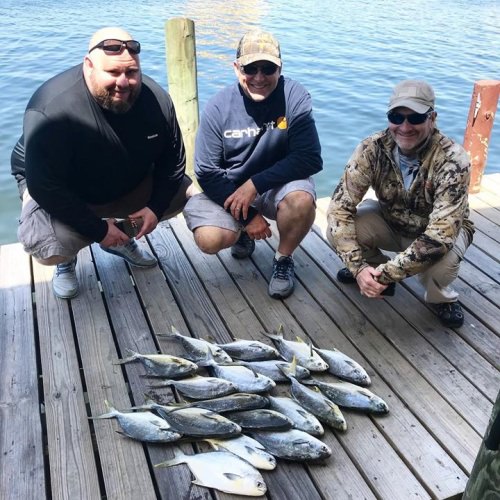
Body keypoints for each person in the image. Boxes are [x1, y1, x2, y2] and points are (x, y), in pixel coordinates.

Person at [10, 26, 194, 299]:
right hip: (59, 190)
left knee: (183, 194)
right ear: (88, 66)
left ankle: (120, 237)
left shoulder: (156, 100)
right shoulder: (52, 107)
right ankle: (68, 259)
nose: (123, 82)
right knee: (50, 246)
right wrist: (97, 230)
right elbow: (45, 186)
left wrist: (155, 208)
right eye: (113, 73)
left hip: (121, 179)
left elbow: (174, 162)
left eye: (131, 73)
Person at [183, 30, 323, 299]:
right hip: (230, 189)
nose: (259, 77)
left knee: (301, 200)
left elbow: (310, 157)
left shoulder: (295, 96)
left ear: (280, 68)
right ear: (237, 68)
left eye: (268, 68)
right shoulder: (217, 107)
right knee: (209, 239)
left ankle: (283, 259)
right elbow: (206, 172)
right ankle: (241, 233)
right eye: (250, 68)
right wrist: (246, 215)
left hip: (275, 185)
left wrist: (256, 184)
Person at [326, 80, 474, 328]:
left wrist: (387, 274)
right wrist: (358, 267)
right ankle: (370, 272)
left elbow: (439, 238)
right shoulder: (371, 148)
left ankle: (440, 299)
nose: (404, 126)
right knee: (337, 230)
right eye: (396, 116)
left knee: (439, 270)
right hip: (391, 221)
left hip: (440, 235)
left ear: (432, 118)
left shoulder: (453, 160)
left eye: (415, 118)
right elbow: (339, 208)